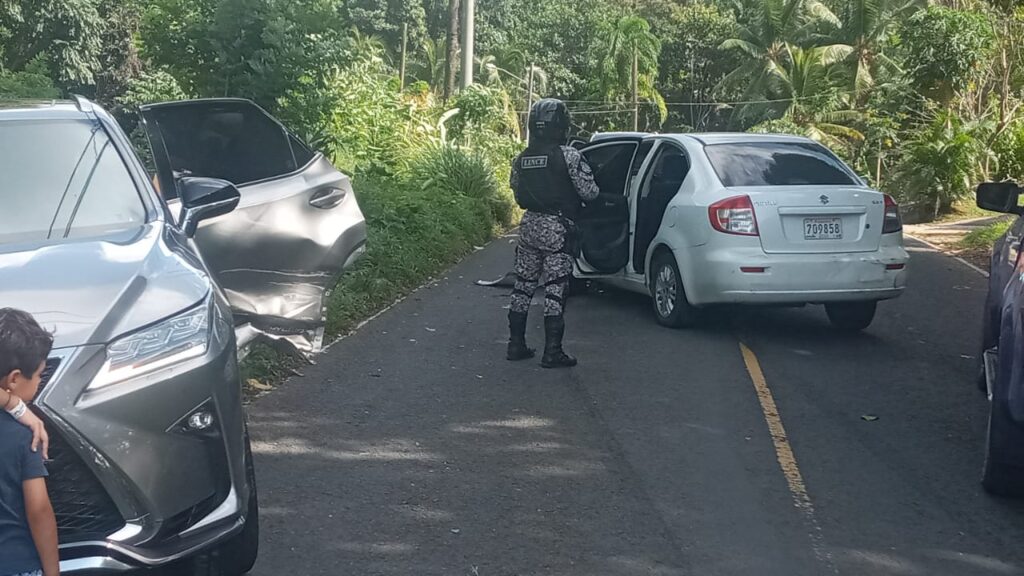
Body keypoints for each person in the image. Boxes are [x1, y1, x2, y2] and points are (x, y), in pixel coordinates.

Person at [507, 99, 600, 368]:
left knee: (523, 285)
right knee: (555, 289)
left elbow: (516, 191)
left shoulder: (521, 159)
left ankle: (515, 344)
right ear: (560, 125)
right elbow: (590, 192)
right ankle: (553, 351)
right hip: (557, 229)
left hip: (529, 226)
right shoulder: (568, 156)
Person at [0, 309, 59, 576]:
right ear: (13, 378)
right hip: (16, 565)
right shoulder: (25, 436)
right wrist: (52, 572)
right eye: (38, 375)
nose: (38, 382)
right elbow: (39, 511)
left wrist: (13, 403)